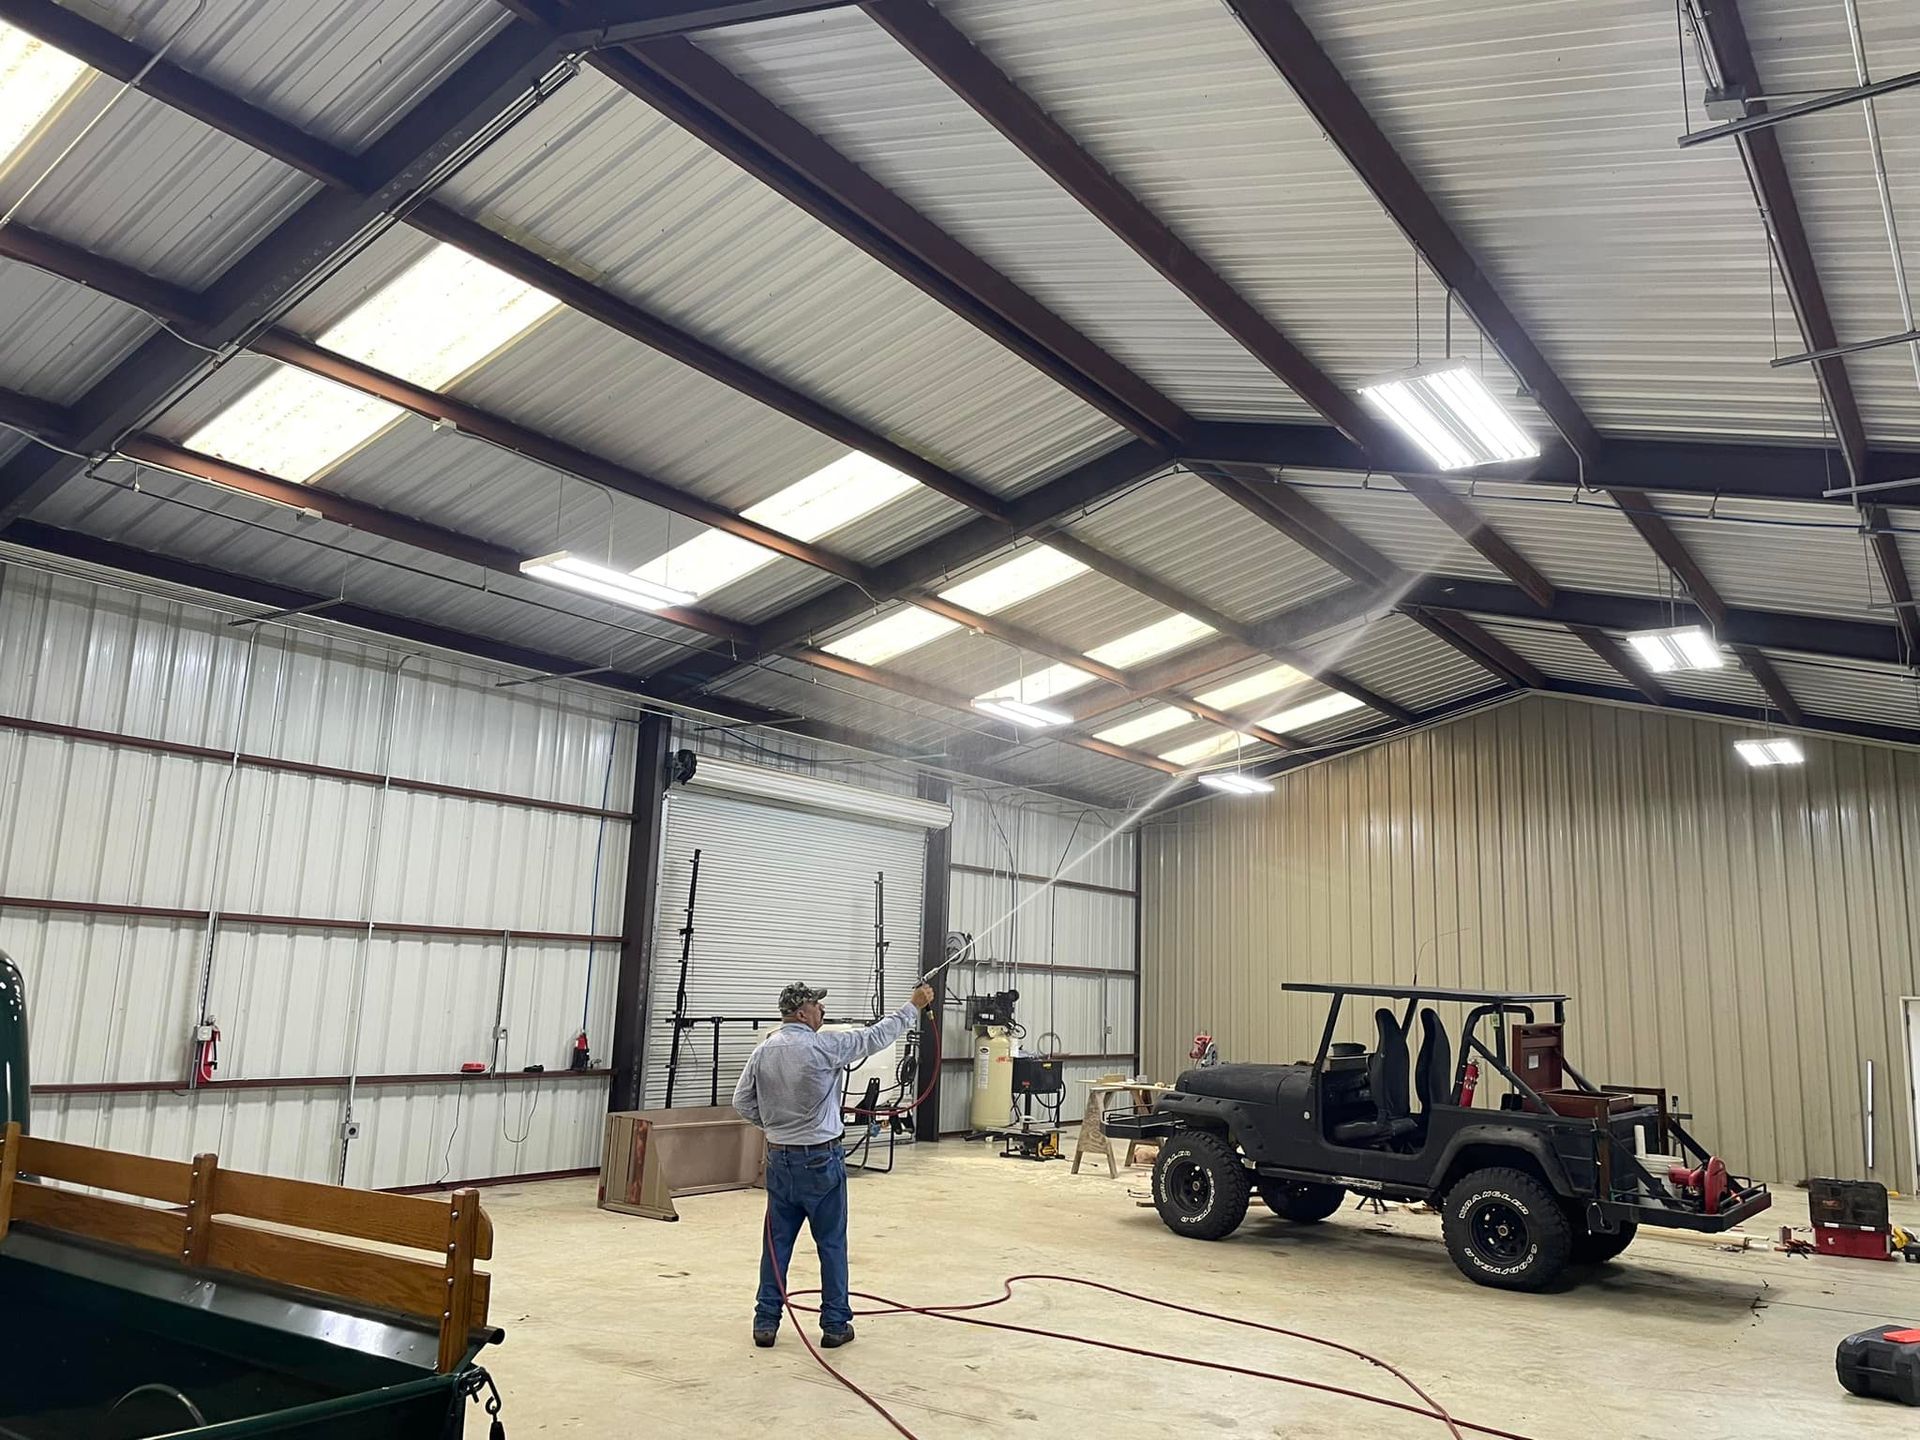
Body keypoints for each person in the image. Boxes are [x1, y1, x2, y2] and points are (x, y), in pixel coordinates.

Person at [733, 977, 935, 1350]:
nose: (822, 1009)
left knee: (777, 1244)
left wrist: (777, 1127)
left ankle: (765, 1321)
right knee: (830, 1243)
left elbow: (742, 1101)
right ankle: (835, 1324)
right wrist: (914, 1006)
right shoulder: (825, 1046)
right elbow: (876, 1036)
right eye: (816, 1005)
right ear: (800, 1012)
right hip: (821, 1160)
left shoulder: (763, 1051)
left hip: (778, 1159)